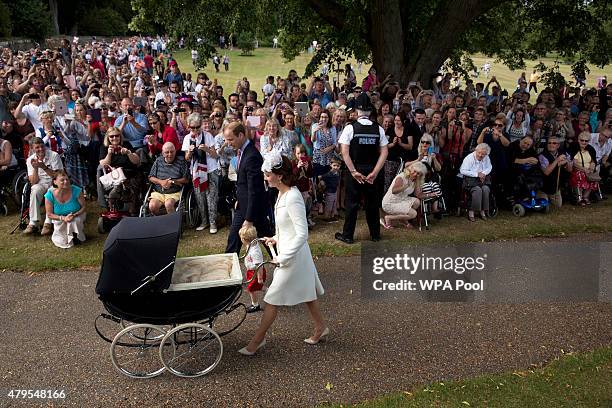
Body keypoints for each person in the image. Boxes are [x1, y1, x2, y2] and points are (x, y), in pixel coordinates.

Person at [238, 152, 327, 355]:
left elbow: (302, 233)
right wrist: (276, 238)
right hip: (289, 253)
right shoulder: (282, 193)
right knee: (307, 294)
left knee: (272, 298)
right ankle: (321, 327)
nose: (265, 178)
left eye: (268, 174)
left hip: (292, 257)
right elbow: (287, 227)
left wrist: (284, 257)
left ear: (279, 175)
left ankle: (257, 341)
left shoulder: (293, 197)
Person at [335, 92, 388, 244]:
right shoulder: (378, 129)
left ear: (357, 111)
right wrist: (375, 172)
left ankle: (348, 235)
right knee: (372, 204)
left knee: (351, 204)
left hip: (355, 169)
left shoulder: (350, 128)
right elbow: (384, 152)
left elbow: (344, 152)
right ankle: (375, 235)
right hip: (372, 169)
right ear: (370, 111)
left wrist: (353, 171)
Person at [223, 122, 272, 253]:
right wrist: (239, 198)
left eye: (230, 139)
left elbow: (255, 190)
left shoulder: (251, 156)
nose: (228, 143)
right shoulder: (243, 152)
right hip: (243, 206)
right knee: (233, 243)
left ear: (240, 135)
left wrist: (249, 219)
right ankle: (229, 271)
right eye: (226, 140)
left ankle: (286, 265)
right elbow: (243, 183)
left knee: (269, 242)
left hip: (254, 210)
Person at [183, 113, 219, 233]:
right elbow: (187, 158)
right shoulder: (187, 138)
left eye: (197, 127)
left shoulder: (208, 135)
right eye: (192, 128)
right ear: (188, 127)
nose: (195, 130)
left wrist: (207, 150)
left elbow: (215, 155)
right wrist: (189, 151)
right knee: (200, 198)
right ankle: (204, 221)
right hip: (196, 172)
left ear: (200, 126)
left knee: (211, 198)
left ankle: (213, 223)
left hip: (210, 169)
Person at [24, 137, 64, 235]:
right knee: (34, 189)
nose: (41, 149)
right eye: (37, 148)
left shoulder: (54, 155)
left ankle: (48, 222)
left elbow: (58, 176)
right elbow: (33, 182)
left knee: (51, 191)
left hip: (54, 182)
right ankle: (33, 222)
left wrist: (44, 167)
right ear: (33, 149)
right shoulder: (30, 160)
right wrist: (36, 168)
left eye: (42, 146)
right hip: (40, 183)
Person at [44, 170, 86, 248]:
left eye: (67, 179)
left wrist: (75, 214)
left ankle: (76, 236)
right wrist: (63, 218)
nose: (66, 182)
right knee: (62, 240)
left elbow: (83, 207)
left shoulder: (77, 190)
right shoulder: (50, 195)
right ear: (55, 182)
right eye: (62, 180)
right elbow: (49, 214)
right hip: (60, 219)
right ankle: (66, 237)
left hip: (76, 215)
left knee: (75, 221)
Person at [380, 161, 425, 229]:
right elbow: (394, 191)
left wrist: (418, 181)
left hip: (401, 199)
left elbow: (417, 194)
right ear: (411, 169)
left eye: (418, 173)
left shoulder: (415, 179)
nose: (415, 174)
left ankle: (402, 219)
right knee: (413, 214)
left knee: (417, 202)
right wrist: (405, 186)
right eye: (414, 171)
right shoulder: (402, 177)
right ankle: (389, 218)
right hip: (390, 202)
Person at [148, 142, 189, 215]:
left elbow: (186, 179)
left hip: (174, 192)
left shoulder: (181, 161)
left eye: (172, 152)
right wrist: (161, 182)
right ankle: (161, 220)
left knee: (168, 204)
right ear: (163, 153)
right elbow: (151, 177)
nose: (170, 154)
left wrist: (172, 181)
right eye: (167, 152)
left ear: (175, 151)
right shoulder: (158, 161)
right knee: (152, 206)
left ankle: (172, 223)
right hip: (159, 191)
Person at [460, 143, 493, 221]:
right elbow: (462, 170)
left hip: (482, 179)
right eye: (479, 153)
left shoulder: (486, 157)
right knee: (477, 190)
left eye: (483, 154)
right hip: (470, 180)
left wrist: (483, 174)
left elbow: (489, 167)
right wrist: (477, 174)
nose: (481, 155)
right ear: (476, 150)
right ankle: (471, 211)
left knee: (485, 189)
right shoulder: (469, 158)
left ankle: (483, 211)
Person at [538, 135, 573, 208]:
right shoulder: (542, 155)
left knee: (557, 206)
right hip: (543, 188)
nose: (551, 145)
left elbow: (569, 170)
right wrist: (557, 161)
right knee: (543, 206)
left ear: (558, 145)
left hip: (555, 188)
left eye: (554, 143)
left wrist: (567, 162)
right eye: (549, 143)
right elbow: (546, 172)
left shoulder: (563, 153)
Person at [240, 225, 266, 313]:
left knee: (251, 289)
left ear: (245, 239)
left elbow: (259, 265)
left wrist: (260, 277)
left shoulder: (255, 252)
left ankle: (255, 305)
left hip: (256, 272)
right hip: (252, 271)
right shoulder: (251, 244)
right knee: (257, 287)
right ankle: (270, 292)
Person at [568, 132, 599, 205]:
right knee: (581, 175)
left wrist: (591, 168)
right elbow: (574, 163)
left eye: (586, 141)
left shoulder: (590, 149)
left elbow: (593, 161)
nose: (584, 142)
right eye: (582, 140)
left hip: (588, 169)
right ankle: (579, 197)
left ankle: (586, 197)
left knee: (593, 176)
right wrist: (584, 169)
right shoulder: (574, 148)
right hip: (577, 169)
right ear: (578, 140)